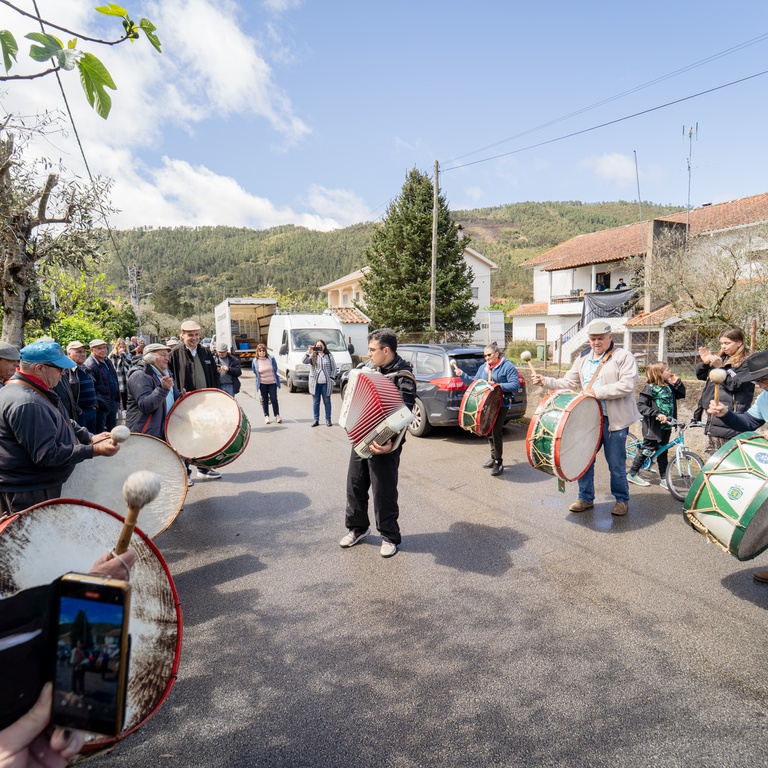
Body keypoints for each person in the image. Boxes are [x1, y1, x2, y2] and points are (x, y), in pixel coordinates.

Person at [530, 320, 641, 516]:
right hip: (588, 418)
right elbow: (568, 382)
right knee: (583, 459)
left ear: (610, 337)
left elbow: (626, 386)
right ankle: (585, 498)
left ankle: (621, 500)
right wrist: (545, 381)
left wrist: (595, 392)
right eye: (592, 339)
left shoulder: (624, 357)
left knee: (615, 463)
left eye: (600, 338)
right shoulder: (583, 358)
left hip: (614, 421)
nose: (596, 342)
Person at [0, 340, 121, 514]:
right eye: (59, 368)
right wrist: (94, 450)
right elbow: (46, 455)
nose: (64, 373)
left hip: (36, 487)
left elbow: (62, 419)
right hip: (28, 493)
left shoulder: (38, 389)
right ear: (39, 369)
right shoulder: (27, 402)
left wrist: (89, 437)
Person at [340, 328, 416, 557]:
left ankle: (389, 536)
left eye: (373, 350)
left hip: (386, 444)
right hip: (361, 436)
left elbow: (404, 415)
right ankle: (358, 528)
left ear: (386, 350)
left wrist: (391, 444)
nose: (369, 354)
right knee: (355, 484)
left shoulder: (404, 377)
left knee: (384, 491)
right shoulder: (370, 369)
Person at [707, 349, 768, 584]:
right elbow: (749, 422)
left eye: (764, 379)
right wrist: (726, 414)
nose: (761, 385)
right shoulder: (764, 398)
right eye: (758, 381)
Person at [450, 341, 520, 476]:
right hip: (486, 403)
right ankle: (493, 457)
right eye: (485, 356)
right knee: (487, 430)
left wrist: (495, 386)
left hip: (502, 403)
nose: (486, 358)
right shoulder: (484, 367)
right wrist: (462, 374)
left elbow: (515, 386)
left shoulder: (507, 366)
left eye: (489, 355)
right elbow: (475, 383)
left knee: (495, 431)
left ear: (497, 354)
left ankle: (498, 461)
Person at [168, 320, 221, 480]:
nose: (194, 338)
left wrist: (217, 394)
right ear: (182, 335)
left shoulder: (206, 352)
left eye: (197, 335)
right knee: (186, 438)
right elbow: (170, 377)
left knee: (205, 436)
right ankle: (185, 473)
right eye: (190, 335)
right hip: (185, 405)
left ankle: (204, 469)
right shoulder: (175, 354)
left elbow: (215, 374)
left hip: (206, 404)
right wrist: (178, 394)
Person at [694, 328, 754, 457]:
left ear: (739, 343)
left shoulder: (748, 361)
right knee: (711, 455)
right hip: (712, 412)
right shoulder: (721, 357)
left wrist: (721, 368)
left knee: (729, 456)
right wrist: (705, 363)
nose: (723, 346)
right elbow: (701, 376)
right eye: (721, 343)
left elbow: (735, 384)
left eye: (727, 343)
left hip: (731, 413)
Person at [627, 361, 686, 488]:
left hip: (666, 425)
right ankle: (632, 473)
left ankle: (664, 478)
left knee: (662, 451)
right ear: (659, 373)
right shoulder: (650, 388)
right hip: (653, 426)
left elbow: (681, 394)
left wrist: (677, 383)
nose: (670, 372)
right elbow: (641, 406)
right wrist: (657, 414)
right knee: (647, 449)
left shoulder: (668, 386)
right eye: (667, 370)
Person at [125, 343, 180, 440]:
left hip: (164, 431)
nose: (167, 358)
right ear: (150, 357)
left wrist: (181, 397)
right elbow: (146, 405)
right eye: (163, 355)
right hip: (145, 434)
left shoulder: (167, 374)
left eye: (167, 355)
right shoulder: (140, 376)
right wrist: (163, 389)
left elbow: (172, 398)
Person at [84, 339, 120, 433]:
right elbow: (92, 387)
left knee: (112, 431)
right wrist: (98, 404)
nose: (103, 350)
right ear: (92, 350)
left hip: (112, 403)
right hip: (101, 406)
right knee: (101, 433)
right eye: (99, 348)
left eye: (104, 347)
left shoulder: (107, 360)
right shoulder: (90, 365)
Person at [65, 341, 98, 433]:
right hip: (79, 413)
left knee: (93, 438)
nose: (83, 354)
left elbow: (94, 387)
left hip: (91, 410)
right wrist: (79, 411)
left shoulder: (86, 369)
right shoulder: (67, 371)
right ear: (69, 354)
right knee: (81, 439)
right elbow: (66, 395)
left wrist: (95, 405)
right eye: (79, 352)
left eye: (84, 352)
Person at [304, 339, 337, 427]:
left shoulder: (329, 356)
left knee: (327, 401)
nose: (319, 347)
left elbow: (334, 368)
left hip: (326, 383)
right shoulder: (313, 355)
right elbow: (304, 361)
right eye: (317, 346)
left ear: (324, 346)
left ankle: (328, 419)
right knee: (316, 402)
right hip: (315, 384)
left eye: (321, 345)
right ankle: (316, 420)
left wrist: (331, 378)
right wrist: (309, 352)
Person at [251, 343, 281, 424]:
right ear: (257, 352)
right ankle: (266, 416)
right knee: (265, 400)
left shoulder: (271, 359)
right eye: (260, 351)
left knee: (274, 398)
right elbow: (255, 371)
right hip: (262, 383)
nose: (262, 352)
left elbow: (275, 368)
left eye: (263, 350)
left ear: (266, 351)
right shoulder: (255, 361)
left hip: (272, 382)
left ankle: (277, 415)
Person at [109, 339, 133, 412]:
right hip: (117, 377)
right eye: (120, 347)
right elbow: (112, 366)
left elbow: (128, 363)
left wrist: (123, 355)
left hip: (125, 377)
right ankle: (118, 410)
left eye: (123, 347)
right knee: (117, 395)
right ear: (117, 347)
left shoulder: (127, 354)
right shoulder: (113, 355)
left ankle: (126, 410)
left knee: (126, 394)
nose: (122, 348)